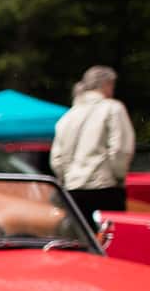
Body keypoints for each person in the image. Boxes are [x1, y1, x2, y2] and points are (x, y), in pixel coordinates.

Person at [50, 64, 135, 217]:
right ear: (107, 84)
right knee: (107, 239)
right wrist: (118, 177)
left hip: (72, 190)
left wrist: (67, 177)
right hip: (104, 188)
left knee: (79, 240)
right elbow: (121, 150)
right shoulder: (113, 108)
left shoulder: (68, 116)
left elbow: (57, 159)